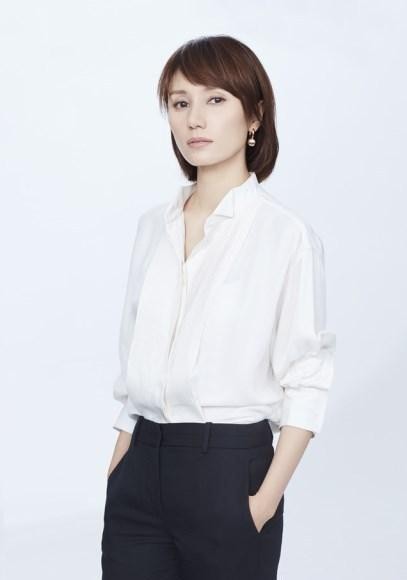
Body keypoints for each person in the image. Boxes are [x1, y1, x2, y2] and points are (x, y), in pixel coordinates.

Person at [101, 34, 336, 580]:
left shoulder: (286, 236)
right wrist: (118, 471)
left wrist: (263, 502)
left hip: (228, 472)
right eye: (180, 102)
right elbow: (134, 366)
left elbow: (307, 380)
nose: (194, 119)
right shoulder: (151, 228)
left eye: (215, 99)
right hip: (140, 469)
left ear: (254, 114)